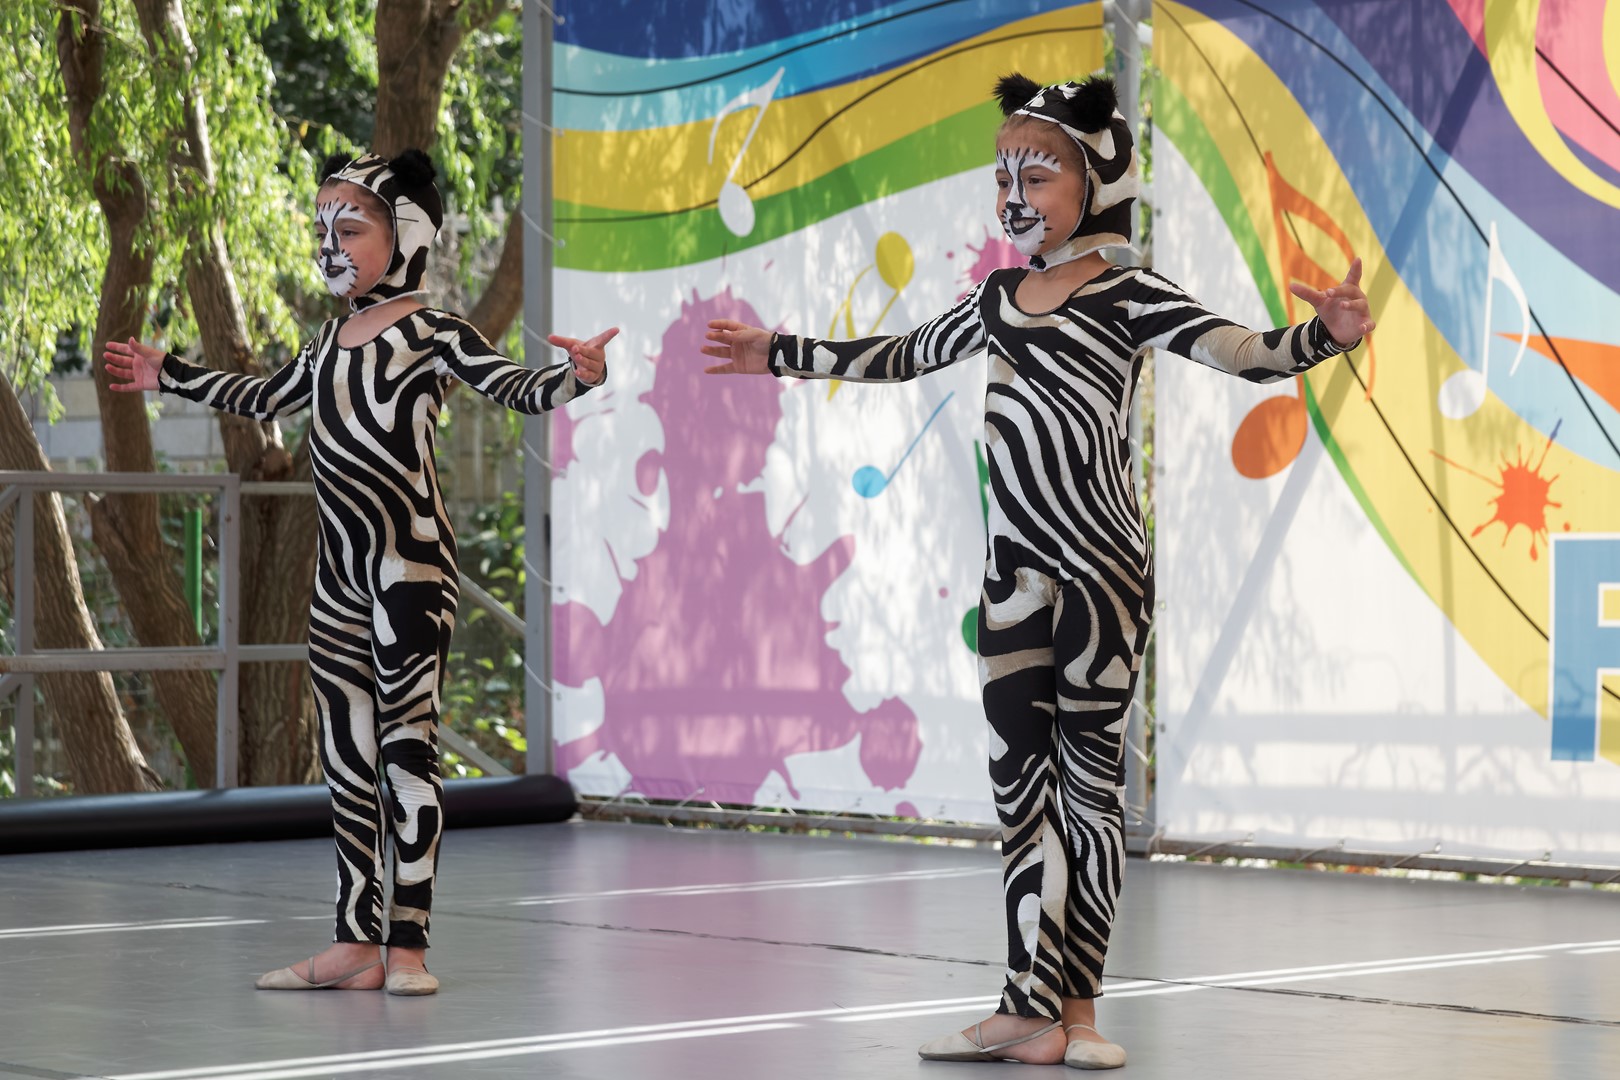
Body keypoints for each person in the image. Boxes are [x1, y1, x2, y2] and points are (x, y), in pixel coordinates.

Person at [699, 74, 1373, 1067]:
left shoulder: (1131, 294)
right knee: (1021, 789)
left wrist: (1325, 336)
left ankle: (1082, 1011)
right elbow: (905, 354)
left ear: (1096, 181)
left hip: (1103, 573)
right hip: (1011, 576)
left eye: (1038, 174)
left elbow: (1242, 353)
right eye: (1002, 175)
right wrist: (781, 352)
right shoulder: (997, 298)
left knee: (1088, 791)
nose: (1013, 193)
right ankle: (1027, 1007)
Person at [105, 149, 616, 996]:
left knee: (407, 751)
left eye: (349, 229)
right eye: (322, 230)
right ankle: (354, 940)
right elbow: (266, 395)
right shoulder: (327, 343)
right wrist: (174, 375)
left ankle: (407, 945)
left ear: (405, 235)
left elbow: (515, 387)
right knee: (346, 759)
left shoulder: (434, 333)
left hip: (410, 569)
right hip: (338, 579)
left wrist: (577, 376)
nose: (329, 246)